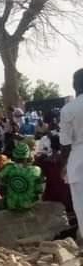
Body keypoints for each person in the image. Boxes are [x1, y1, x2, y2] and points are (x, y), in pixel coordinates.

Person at [60, 68, 83, 237]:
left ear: (75, 85)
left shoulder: (68, 109)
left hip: (78, 159)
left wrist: (64, 165)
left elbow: (65, 142)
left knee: (81, 204)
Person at [0, 142, 44, 211]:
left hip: (12, 205)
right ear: (28, 156)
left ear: (15, 156)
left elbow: (0, 182)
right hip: (29, 205)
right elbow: (39, 190)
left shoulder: (8, 168)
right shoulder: (36, 170)